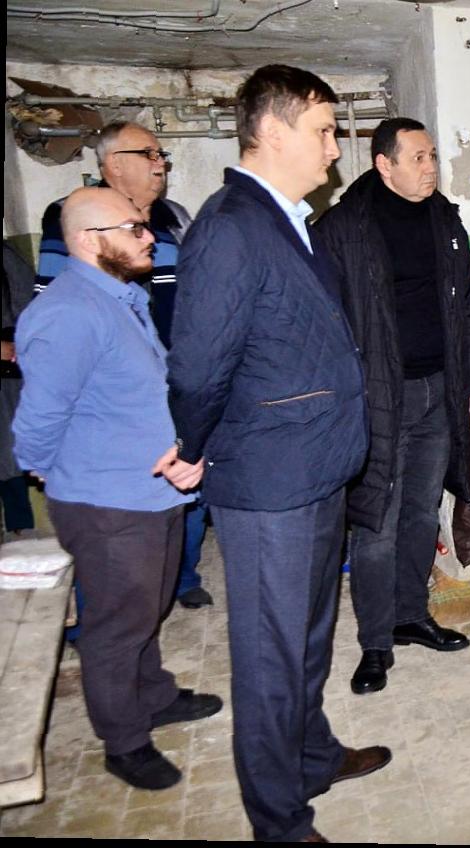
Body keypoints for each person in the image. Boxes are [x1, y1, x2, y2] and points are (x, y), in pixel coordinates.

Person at [166, 64, 388, 842]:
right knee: (269, 658)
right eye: (324, 131)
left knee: (309, 638)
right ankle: (279, 820)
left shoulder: (288, 219)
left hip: (316, 469)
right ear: (272, 130)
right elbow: (199, 365)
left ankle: (311, 755)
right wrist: (191, 446)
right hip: (268, 482)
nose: (335, 149)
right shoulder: (229, 227)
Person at [12, 186, 221, 790]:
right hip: (108, 502)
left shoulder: (121, 296)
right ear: (87, 241)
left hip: (150, 491)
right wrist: (53, 470)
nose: (148, 236)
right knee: (115, 627)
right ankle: (123, 741)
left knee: (146, 608)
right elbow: (38, 418)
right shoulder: (68, 313)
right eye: (133, 228)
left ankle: (153, 695)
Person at [314, 117, 470, 695]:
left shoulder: (445, 221)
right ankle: (374, 642)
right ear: (384, 165)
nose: (431, 167)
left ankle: (411, 615)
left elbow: (467, 309)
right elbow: (326, 326)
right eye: (418, 158)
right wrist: (345, 404)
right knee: (377, 521)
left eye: (433, 155)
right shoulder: (342, 229)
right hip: (379, 399)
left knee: (421, 512)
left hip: (441, 391)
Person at [33, 119, 212, 609]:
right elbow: (52, 302)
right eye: (148, 154)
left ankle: (182, 576)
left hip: (177, 377)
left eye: (161, 155)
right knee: (113, 505)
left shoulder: (174, 217)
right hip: (112, 386)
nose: (160, 164)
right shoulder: (71, 215)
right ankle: (103, 610)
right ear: (113, 163)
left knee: (188, 476)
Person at [2, 243, 36, 541]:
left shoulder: (7, 255)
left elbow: (28, 300)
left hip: (10, 368)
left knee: (10, 447)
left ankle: (19, 530)